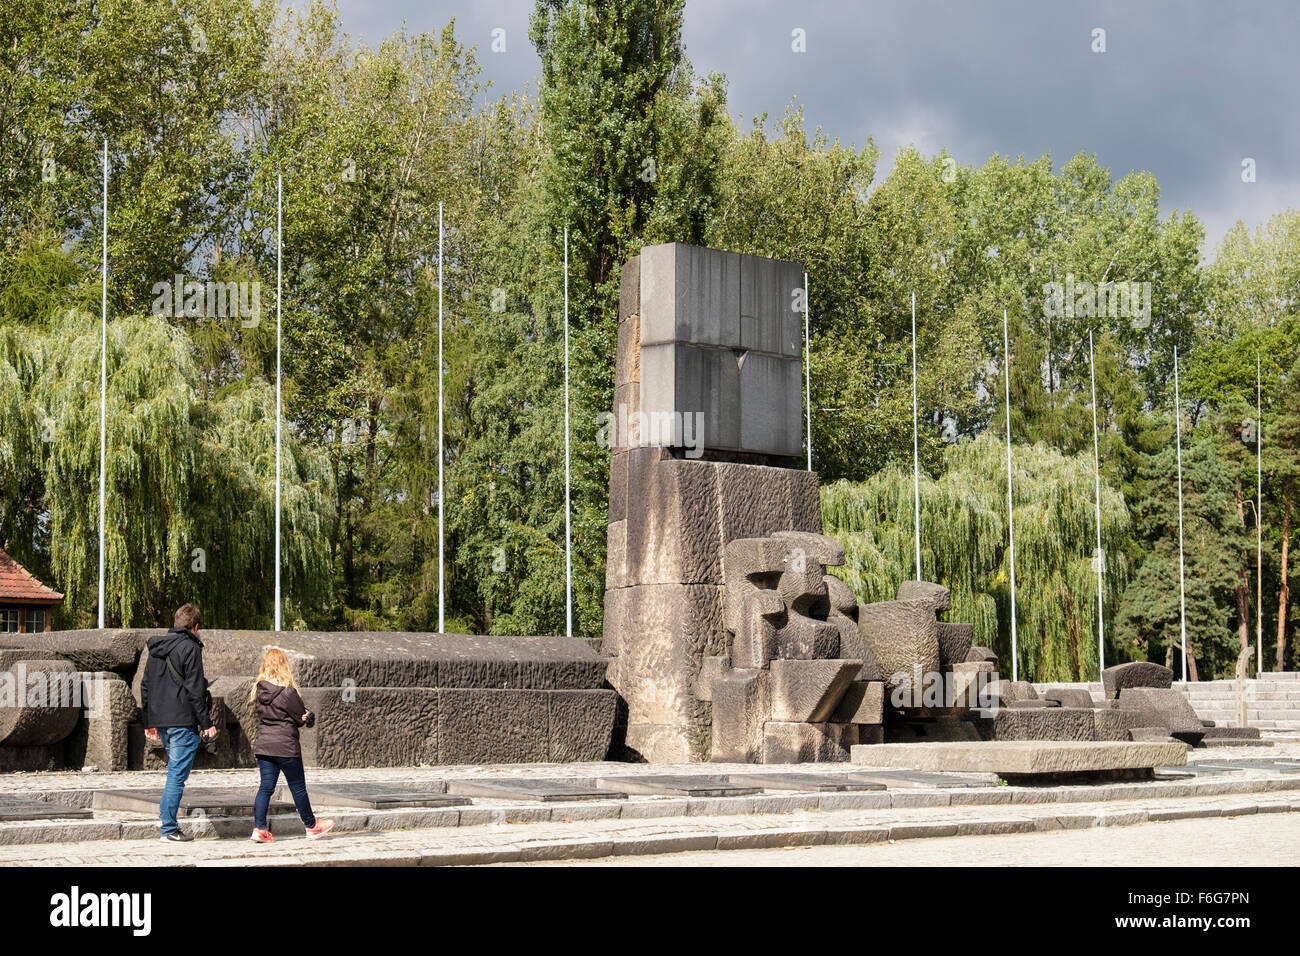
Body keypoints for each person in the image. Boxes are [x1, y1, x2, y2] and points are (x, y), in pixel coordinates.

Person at [141, 603, 217, 843]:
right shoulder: (190, 648)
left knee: (173, 772)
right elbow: (195, 689)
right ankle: (169, 829)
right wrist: (206, 723)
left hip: (161, 721)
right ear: (195, 627)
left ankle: (166, 818)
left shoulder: (156, 649)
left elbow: (145, 686)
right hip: (183, 721)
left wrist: (148, 721)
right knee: (176, 775)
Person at [248, 648, 334, 842]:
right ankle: (311, 826)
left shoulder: (258, 690)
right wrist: (307, 716)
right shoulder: (288, 692)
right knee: (297, 788)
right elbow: (302, 716)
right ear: (284, 666)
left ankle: (259, 829)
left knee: (265, 788)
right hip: (286, 746)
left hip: (265, 746)